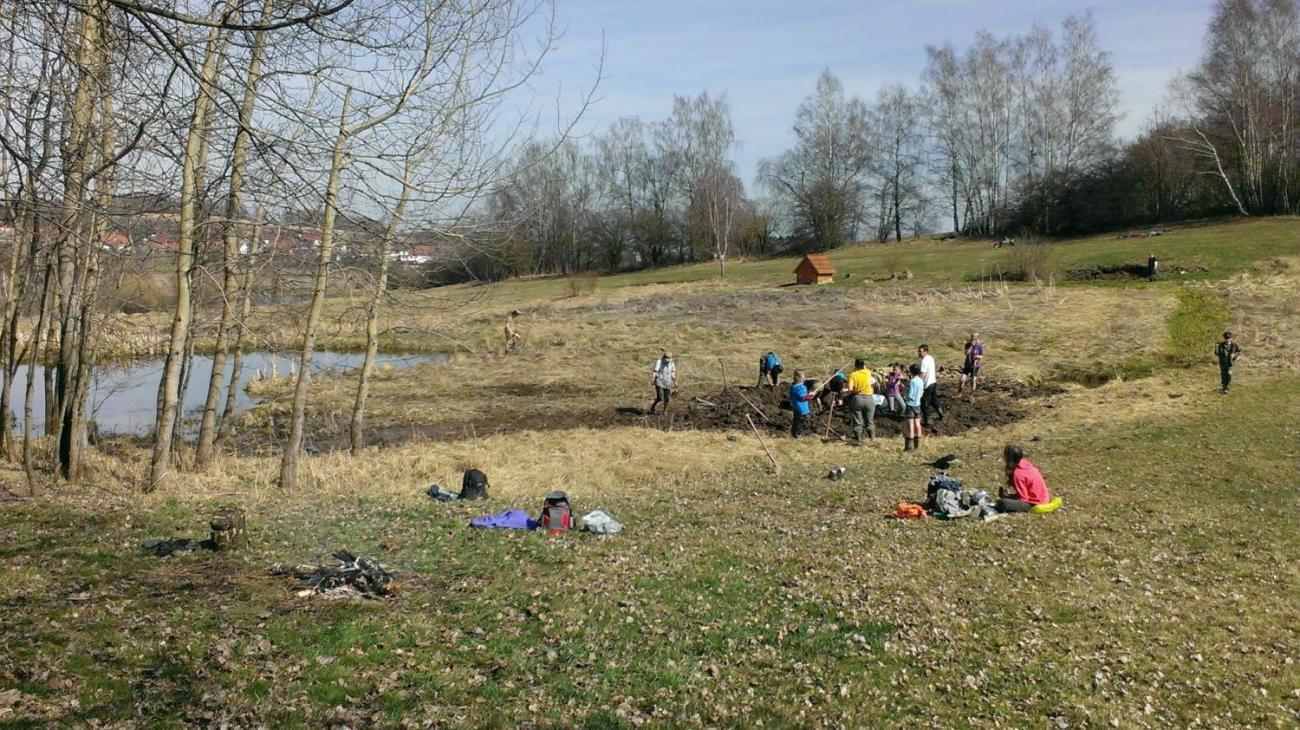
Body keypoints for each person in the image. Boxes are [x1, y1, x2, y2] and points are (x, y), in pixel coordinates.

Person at [987, 444, 1052, 520]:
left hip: (1036, 503)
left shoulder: (1018, 474)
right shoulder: (1025, 463)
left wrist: (1008, 497)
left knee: (1003, 503)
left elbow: (1023, 498)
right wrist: (1010, 496)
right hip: (1044, 498)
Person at [844, 358, 876, 443]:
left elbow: (850, 389)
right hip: (869, 398)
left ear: (855, 366)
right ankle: (872, 438)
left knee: (857, 420)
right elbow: (866, 369)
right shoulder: (868, 372)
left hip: (858, 398)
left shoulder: (853, 375)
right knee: (869, 420)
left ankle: (859, 439)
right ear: (863, 365)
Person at [788, 369, 823, 438]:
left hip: (795, 407)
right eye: (803, 376)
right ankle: (798, 435)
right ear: (799, 377)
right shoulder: (802, 388)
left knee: (796, 421)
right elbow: (803, 398)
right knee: (800, 422)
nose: (804, 377)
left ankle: (793, 434)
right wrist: (811, 395)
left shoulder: (792, 386)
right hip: (802, 408)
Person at [917, 344, 942, 427]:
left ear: (926, 351)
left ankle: (926, 421)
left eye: (920, 352)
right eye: (918, 351)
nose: (919, 353)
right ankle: (939, 410)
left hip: (927, 385)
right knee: (934, 399)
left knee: (925, 403)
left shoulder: (924, 361)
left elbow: (922, 374)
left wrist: (917, 381)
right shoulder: (931, 358)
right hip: (933, 382)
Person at [904, 363, 923, 451]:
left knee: (911, 425)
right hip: (918, 404)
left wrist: (906, 396)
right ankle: (917, 445)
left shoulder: (912, 381)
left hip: (911, 404)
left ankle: (909, 447)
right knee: (918, 424)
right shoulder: (921, 380)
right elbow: (921, 393)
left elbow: (911, 394)